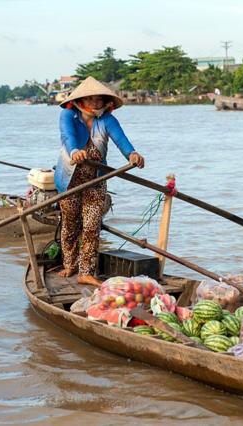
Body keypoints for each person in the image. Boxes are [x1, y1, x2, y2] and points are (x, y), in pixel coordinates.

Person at [55, 76, 144, 287]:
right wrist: (75, 151)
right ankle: (69, 263)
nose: (96, 103)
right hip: (70, 180)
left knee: (92, 225)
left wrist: (132, 155)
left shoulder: (106, 120)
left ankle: (85, 271)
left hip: (96, 179)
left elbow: (121, 140)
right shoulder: (68, 115)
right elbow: (67, 137)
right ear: (82, 99)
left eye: (99, 99)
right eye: (91, 98)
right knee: (70, 223)